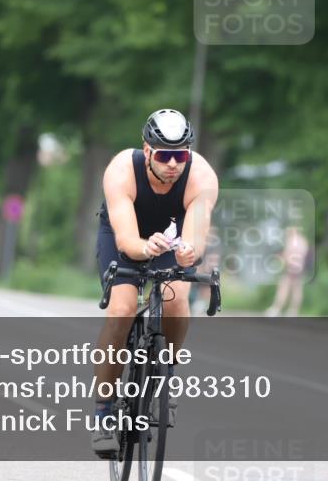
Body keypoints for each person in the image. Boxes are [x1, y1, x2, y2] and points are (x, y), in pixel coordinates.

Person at [91, 109, 218, 457]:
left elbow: (194, 240)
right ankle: (104, 410)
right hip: (124, 237)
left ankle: (164, 376)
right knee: (122, 309)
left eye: (181, 155)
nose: (174, 164)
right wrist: (144, 247)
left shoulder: (202, 177)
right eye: (165, 155)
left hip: (171, 241)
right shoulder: (121, 169)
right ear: (147, 151)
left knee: (177, 299)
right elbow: (127, 240)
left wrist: (186, 255)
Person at [265, 226, 310, 317]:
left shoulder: (292, 241)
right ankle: (293, 311)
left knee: (283, 288)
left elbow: (288, 254)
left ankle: (276, 309)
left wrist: (281, 257)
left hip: (291, 268)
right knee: (297, 290)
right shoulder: (303, 241)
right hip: (300, 268)